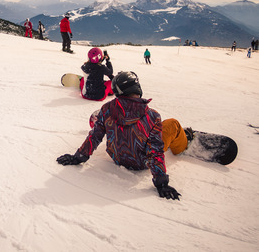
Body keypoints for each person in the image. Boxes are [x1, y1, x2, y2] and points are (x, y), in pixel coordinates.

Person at [57, 71, 185, 200]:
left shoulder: (106, 109)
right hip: (141, 162)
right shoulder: (152, 116)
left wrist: (79, 157)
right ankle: (184, 143)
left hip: (117, 158)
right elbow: (155, 150)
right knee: (172, 123)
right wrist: (161, 182)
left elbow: (95, 136)